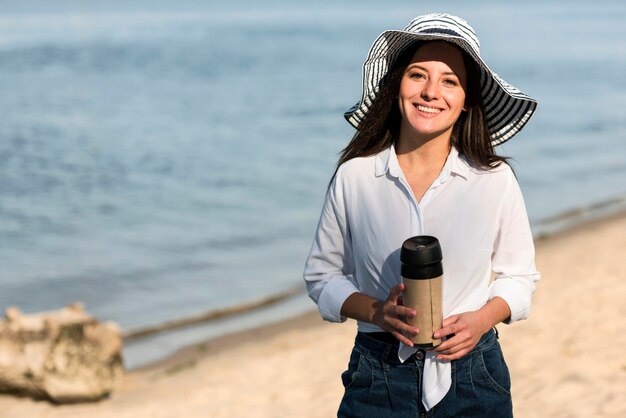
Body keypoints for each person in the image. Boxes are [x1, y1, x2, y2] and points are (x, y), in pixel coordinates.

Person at [303, 13, 540, 417]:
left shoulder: (494, 179)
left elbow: (521, 278)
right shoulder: (356, 176)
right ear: (398, 86)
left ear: (467, 102)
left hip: (473, 374)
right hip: (377, 375)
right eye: (418, 75)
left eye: (449, 81)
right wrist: (377, 311)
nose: (432, 92)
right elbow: (322, 276)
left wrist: (481, 320)